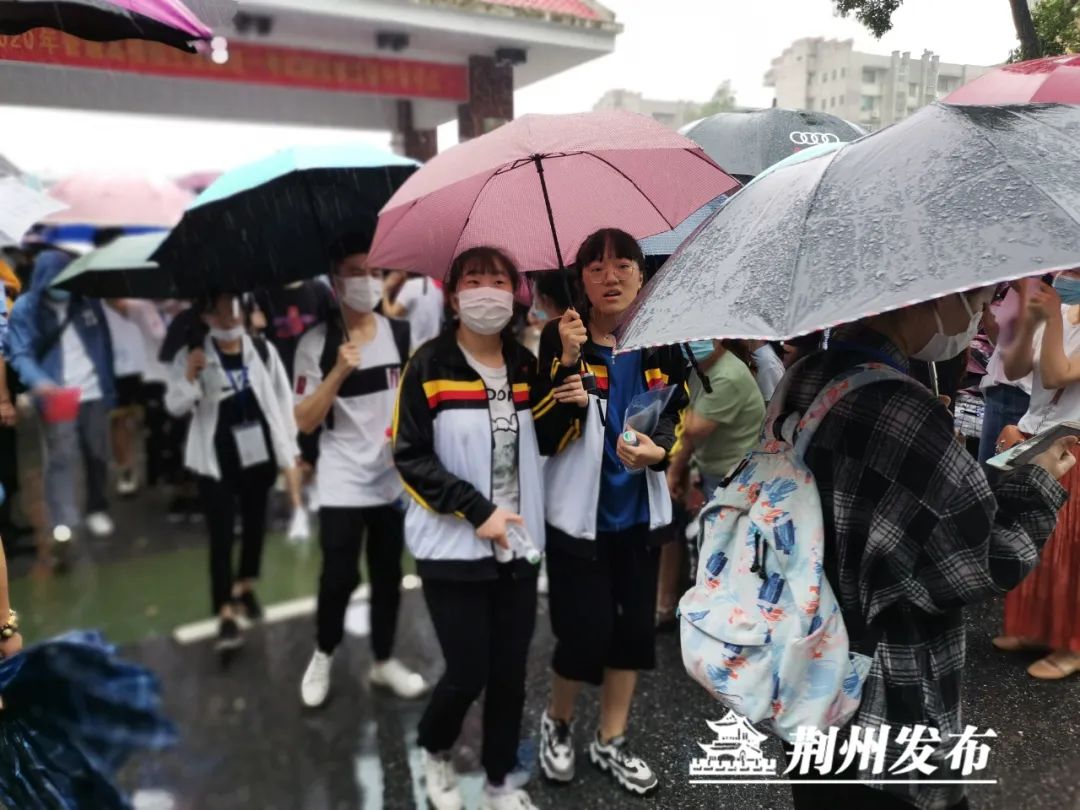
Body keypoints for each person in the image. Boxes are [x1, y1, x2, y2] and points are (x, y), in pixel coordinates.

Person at [778, 286, 1074, 810]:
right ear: (930, 296)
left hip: (803, 663)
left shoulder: (806, 375)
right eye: (976, 299)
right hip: (888, 692)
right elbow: (982, 561)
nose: (981, 315)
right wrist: (1039, 483)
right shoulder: (904, 406)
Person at [393, 246, 586, 810]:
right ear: (454, 297)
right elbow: (410, 457)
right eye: (473, 279)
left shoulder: (524, 365)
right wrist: (478, 510)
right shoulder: (429, 366)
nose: (486, 290)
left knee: (509, 673)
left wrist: (569, 381)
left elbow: (549, 438)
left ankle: (500, 780)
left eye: (499, 280)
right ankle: (435, 747)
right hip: (451, 548)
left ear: (515, 294)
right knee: (467, 670)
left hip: (518, 546)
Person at [537, 228, 688, 797]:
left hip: (638, 518)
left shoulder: (659, 341)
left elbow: (673, 412)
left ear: (641, 274)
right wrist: (565, 368)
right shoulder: (561, 338)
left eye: (622, 264)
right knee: (585, 633)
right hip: (578, 521)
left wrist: (660, 452)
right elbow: (545, 433)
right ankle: (558, 721)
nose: (610, 277)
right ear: (581, 279)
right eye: (596, 267)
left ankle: (611, 738)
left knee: (632, 634)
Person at [294, 237, 426, 706]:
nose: (367, 282)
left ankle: (383, 660)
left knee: (388, 573)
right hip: (342, 478)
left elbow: (417, 399)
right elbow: (304, 420)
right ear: (335, 281)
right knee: (338, 575)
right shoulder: (317, 343)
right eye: (356, 272)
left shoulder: (401, 335)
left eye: (374, 272)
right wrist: (336, 373)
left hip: (391, 478)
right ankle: (323, 653)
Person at [165, 293, 300, 652]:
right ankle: (224, 609)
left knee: (256, 524)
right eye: (219, 312)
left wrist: (291, 451)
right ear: (205, 317)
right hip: (216, 456)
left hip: (259, 450)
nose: (228, 319)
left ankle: (245, 587)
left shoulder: (263, 350)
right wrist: (190, 376)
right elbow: (175, 405)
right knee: (221, 533)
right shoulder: (191, 355)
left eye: (234, 311)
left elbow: (282, 399)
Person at [994, 273, 1080, 679]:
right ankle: (1033, 628)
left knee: (1070, 550)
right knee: (1033, 538)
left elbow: (1057, 374)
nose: (1068, 275)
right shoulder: (1057, 313)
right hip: (1035, 438)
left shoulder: (1057, 315)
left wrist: (1051, 318)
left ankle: (1071, 645)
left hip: (1072, 447)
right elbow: (1014, 369)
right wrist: (1031, 322)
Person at [5, 249, 116, 550]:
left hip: (93, 390)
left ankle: (97, 507)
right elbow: (20, 351)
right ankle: (63, 520)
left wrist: (109, 387)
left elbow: (104, 342)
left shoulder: (87, 301)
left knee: (97, 452)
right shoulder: (27, 308)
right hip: (57, 394)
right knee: (60, 456)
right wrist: (38, 381)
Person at [660, 338, 766, 626]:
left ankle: (729, 625)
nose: (695, 343)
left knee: (727, 555)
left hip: (737, 479)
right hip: (713, 474)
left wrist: (676, 468)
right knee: (712, 549)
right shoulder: (700, 371)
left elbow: (694, 428)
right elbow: (688, 428)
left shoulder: (728, 374)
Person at [979, 283, 1032, 464]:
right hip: (1003, 387)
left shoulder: (1035, 285)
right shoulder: (1019, 284)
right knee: (990, 468)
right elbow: (1000, 339)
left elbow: (1019, 344)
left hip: (1019, 391)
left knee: (996, 472)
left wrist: (1024, 291)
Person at [381, 271, 444, 353]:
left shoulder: (411, 286)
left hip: (415, 350)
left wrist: (385, 291)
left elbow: (390, 314)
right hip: (433, 347)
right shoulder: (434, 285)